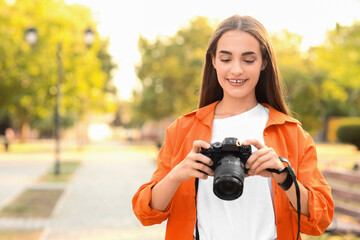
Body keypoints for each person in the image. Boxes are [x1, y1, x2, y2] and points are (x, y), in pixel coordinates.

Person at [132, 15, 334, 240]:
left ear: (263, 62)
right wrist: (177, 175)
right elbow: (146, 214)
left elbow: (321, 219)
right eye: (226, 59)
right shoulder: (182, 130)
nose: (236, 70)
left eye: (248, 60)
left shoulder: (291, 134)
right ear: (213, 61)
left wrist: (284, 177)